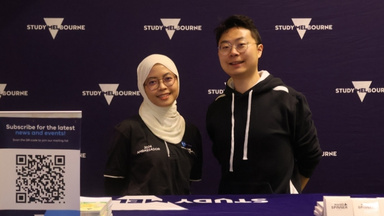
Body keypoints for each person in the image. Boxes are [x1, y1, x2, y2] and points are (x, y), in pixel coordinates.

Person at [206, 15, 322, 194]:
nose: (233, 52)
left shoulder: (288, 100)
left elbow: (310, 157)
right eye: (225, 47)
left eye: (241, 44)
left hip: (278, 210)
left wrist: (288, 194)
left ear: (259, 50)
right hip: (229, 208)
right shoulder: (217, 108)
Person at [104, 54, 202, 195]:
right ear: (142, 87)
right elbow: (112, 186)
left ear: (177, 80)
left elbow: (190, 181)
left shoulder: (191, 131)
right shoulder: (127, 130)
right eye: (152, 82)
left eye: (168, 79)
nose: (162, 87)